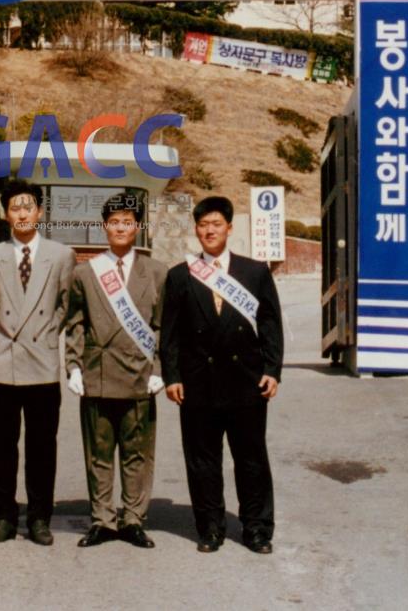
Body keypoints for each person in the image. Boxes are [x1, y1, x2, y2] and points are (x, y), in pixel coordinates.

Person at [160, 195, 284, 555]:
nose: (209, 230)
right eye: (202, 224)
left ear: (229, 227)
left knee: (251, 459)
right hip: (198, 383)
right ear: (195, 230)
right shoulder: (180, 276)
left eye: (216, 224)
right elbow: (169, 334)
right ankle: (210, 527)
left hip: (246, 381)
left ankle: (257, 529)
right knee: (202, 460)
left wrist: (272, 369)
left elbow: (270, 324)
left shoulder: (254, 272)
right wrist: (172, 376)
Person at [64, 192, 167, 550]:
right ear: (104, 227)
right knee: (99, 453)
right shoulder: (85, 272)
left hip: (140, 376)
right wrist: (73, 366)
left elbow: (161, 326)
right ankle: (102, 519)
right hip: (98, 374)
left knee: (138, 452)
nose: (121, 228)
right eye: (114, 222)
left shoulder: (156, 272)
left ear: (137, 227)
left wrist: (159, 368)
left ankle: (133, 518)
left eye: (127, 222)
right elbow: (75, 323)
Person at [0, 180, 76, 546]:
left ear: (40, 212)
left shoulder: (61, 255)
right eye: (14, 208)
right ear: (6, 214)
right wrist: (5, 336)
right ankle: (3, 516)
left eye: (28, 207)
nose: (21, 213)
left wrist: (46, 334)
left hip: (42, 360)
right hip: (2, 359)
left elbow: (64, 305)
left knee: (41, 446)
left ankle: (39, 518)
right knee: (0, 444)